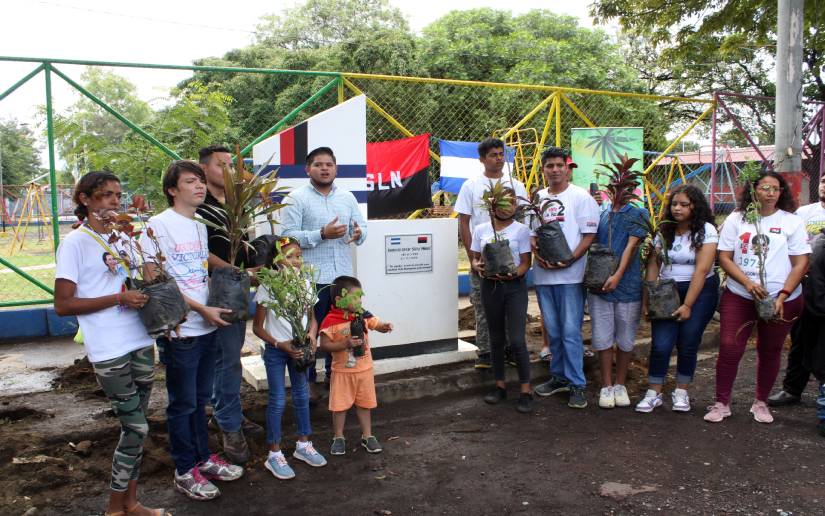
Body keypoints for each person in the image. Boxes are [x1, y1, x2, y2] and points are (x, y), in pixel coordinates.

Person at [54, 171, 164, 516]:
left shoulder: (122, 239)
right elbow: (63, 305)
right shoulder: (74, 244)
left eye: (117, 195)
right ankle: (115, 509)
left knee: (137, 427)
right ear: (85, 200)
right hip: (109, 350)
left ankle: (131, 503)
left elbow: (148, 280)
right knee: (136, 427)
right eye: (105, 195)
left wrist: (144, 252)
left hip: (140, 341)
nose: (114, 202)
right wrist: (118, 299)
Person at [141, 160, 244, 500]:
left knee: (201, 401)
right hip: (181, 331)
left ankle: (203, 458)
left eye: (201, 181)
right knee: (182, 404)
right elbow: (155, 281)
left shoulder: (199, 227)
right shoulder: (156, 227)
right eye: (190, 181)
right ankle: (185, 470)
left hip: (206, 327)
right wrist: (200, 309)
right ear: (172, 189)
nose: (200, 186)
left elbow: (200, 274)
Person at [706, 171, 810, 424]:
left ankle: (761, 402)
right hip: (740, 295)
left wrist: (783, 295)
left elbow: (801, 263)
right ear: (753, 191)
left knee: (771, 349)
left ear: (781, 192)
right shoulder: (737, 219)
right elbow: (725, 257)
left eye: (776, 188)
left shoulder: (791, 222)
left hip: (781, 299)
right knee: (730, 346)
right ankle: (721, 403)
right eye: (765, 188)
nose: (771, 193)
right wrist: (748, 283)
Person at [280, 147, 367, 398]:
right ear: (308, 169)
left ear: (336, 168)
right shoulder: (296, 198)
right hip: (311, 279)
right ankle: (308, 381)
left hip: (342, 279)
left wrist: (359, 234)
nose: (325, 168)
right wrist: (320, 234)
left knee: (341, 331)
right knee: (310, 332)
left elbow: (361, 226)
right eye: (318, 164)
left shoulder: (347, 197)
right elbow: (287, 238)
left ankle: (335, 376)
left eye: (329, 164)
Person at [196, 145, 260, 464]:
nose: (229, 171)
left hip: (237, 286)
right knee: (226, 359)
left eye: (232, 165)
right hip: (212, 289)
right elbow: (198, 251)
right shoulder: (199, 206)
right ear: (203, 168)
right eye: (222, 165)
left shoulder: (237, 203)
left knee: (230, 354)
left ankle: (226, 413)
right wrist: (233, 271)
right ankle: (229, 425)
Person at [636, 185, 719, 413]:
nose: (678, 208)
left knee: (688, 342)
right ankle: (654, 392)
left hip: (700, 292)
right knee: (661, 344)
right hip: (666, 292)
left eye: (684, 204)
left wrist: (688, 304)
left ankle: (681, 391)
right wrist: (649, 301)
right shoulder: (664, 230)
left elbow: (701, 270)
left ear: (695, 206)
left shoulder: (706, 229)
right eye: (674, 204)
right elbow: (653, 265)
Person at [252, 236, 328, 479]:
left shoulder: (304, 284)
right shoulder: (269, 287)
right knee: (277, 400)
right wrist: (278, 344)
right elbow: (257, 328)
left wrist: (312, 336)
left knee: (301, 394)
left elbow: (312, 318)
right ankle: (274, 453)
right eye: (290, 256)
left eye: (298, 256)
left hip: (299, 348)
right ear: (276, 260)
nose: (296, 261)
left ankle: (303, 444)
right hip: (277, 350)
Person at [531, 147, 600, 409]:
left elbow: (589, 235)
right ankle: (558, 377)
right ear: (544, 169)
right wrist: (539, 257)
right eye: (550, 165)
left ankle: (577, 384)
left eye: (560, 165)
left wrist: (570, 259)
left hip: (570, 276)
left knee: (571, 331)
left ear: (567, 168)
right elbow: (532, 235)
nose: (555, 170)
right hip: (544, 276)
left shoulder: (581, 198)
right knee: (555, 330)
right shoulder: (537, 198)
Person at [455, 137, 529, 369]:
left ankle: (511, 350)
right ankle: (486, 352)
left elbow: (522, 220)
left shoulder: (515, 186)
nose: (498, 158)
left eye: (501, 154)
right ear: (482, 159)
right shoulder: (471, 186)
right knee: (483, 304)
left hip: (511, 260)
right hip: (483, 256)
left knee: (511, 306)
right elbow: (464, 222)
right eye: (493, 155)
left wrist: (519, 262)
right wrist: (472, 257)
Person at [470, 187, 534, 413]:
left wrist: (514, 273)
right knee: (496, 339)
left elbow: (526, 262)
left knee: (517, 339)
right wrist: (477, 266)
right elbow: (475, 260)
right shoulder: (481, 229)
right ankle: (500, 386)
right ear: (493, 205)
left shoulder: (522, 230)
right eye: (505, 203)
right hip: (491, 287)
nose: (510, 207)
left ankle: (526, 391)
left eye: (513, 203)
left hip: (514, 287)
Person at [588, 177, 648, 410]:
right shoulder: (601, 212)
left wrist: (618, 276)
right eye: (614, 187)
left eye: (625, 188)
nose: (619, 192)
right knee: (602, 336)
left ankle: (621, 383)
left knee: (625, 337)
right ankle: (606, 385)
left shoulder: (638, 213)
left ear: (632, 190)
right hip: (599, 284)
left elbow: (632, 247)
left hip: (628, 284)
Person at [319, 276, 393, 456]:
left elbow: (375, 323)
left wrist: (384, 326)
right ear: (339, 300)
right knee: (339, 406)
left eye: (361, 297)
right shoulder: (330, 320)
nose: (359, 301)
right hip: (342, 372)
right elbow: (324, 345)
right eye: (355, 297)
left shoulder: (362, 314)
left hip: (364, 371)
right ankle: (338, 437)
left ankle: (367, 435)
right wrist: (344, 344)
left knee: (364, 405)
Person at [768, 173, 825, 407]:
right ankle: (792, 389)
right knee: (800, 339)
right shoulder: (804, 213)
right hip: (805, 284)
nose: (824, 186)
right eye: (823, 181)